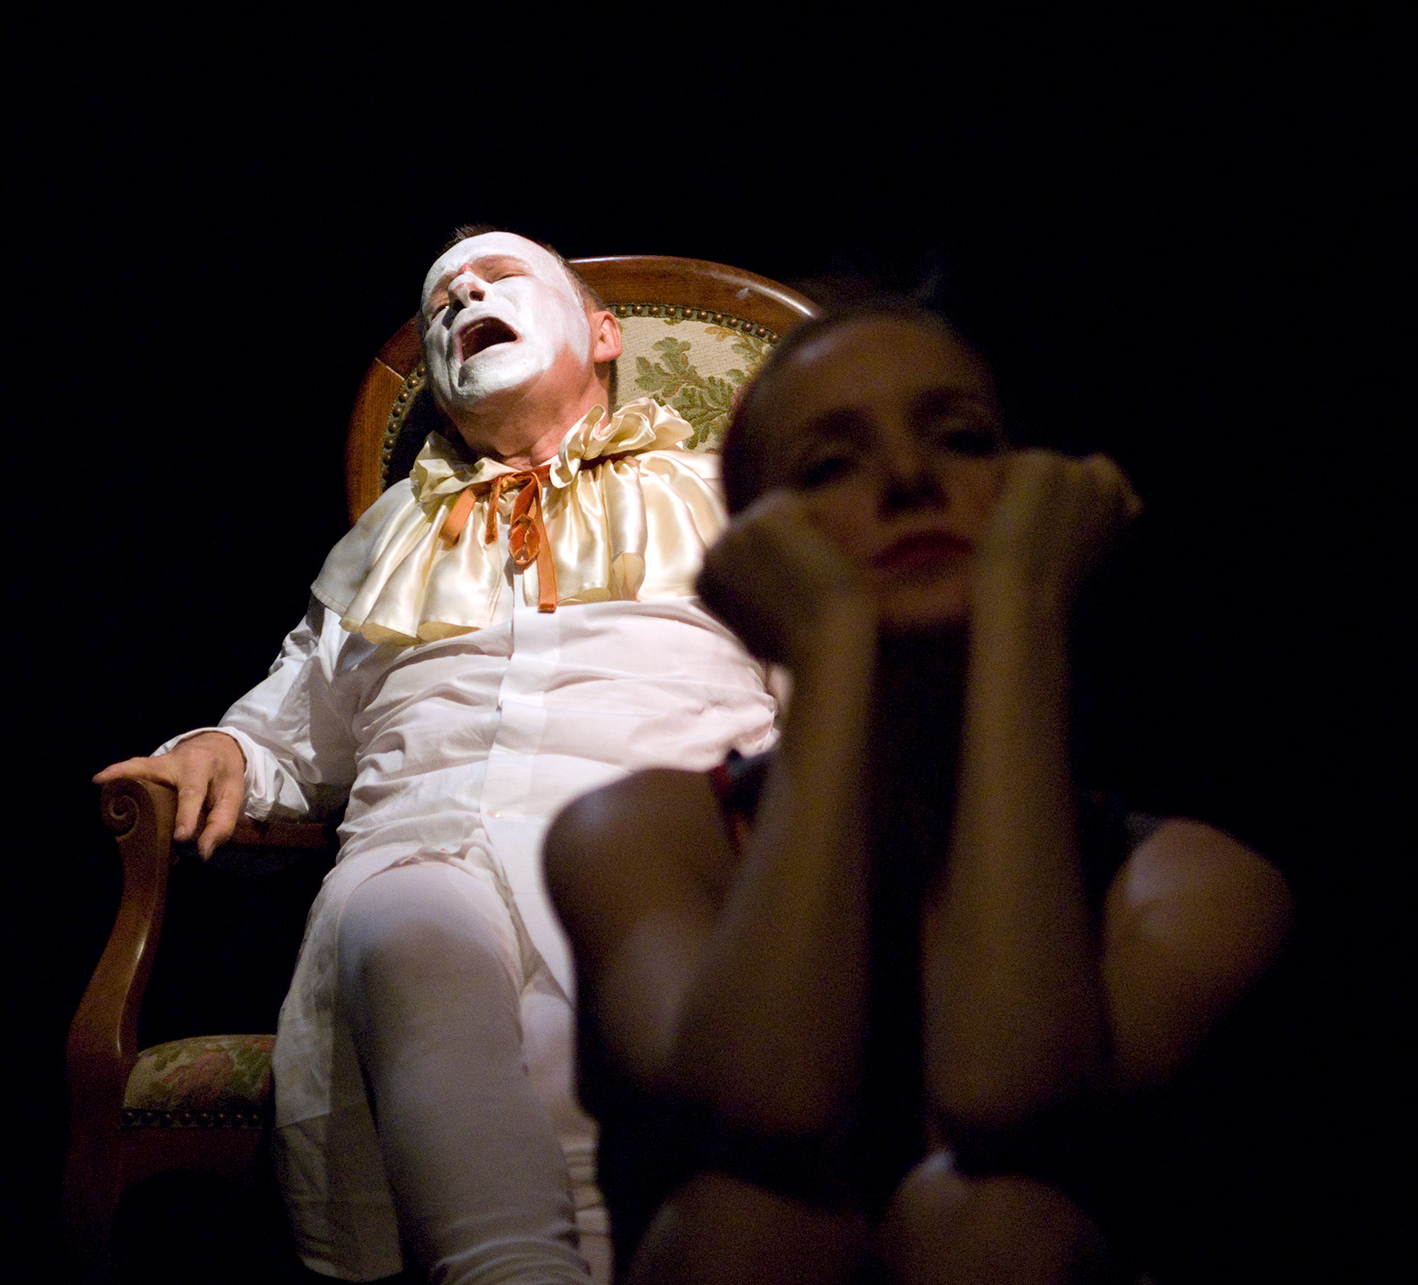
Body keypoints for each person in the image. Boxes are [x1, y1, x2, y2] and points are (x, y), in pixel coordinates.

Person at [543, 300, 1295, 1283]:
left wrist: (1022, 606)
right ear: (758, 551)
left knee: (992, 1222)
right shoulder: (641, 834)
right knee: (747, 1224)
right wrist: (830, 648)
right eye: (828, 465)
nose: (908, 478)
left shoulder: (1189, 881)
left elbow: (1007, 1104)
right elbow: (767, 1106)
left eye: (964, 440)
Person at [93, 229, 778, 1284]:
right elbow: (288, 727)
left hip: (657, 865)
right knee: (405, 919)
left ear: (604, 335)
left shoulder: (728, 498)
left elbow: (828, 695)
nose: (462, 297)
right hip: (418, 856)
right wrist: (215, 748)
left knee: (565, 1017)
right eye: (442, 300)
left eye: (499, 279)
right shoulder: (389, 539)